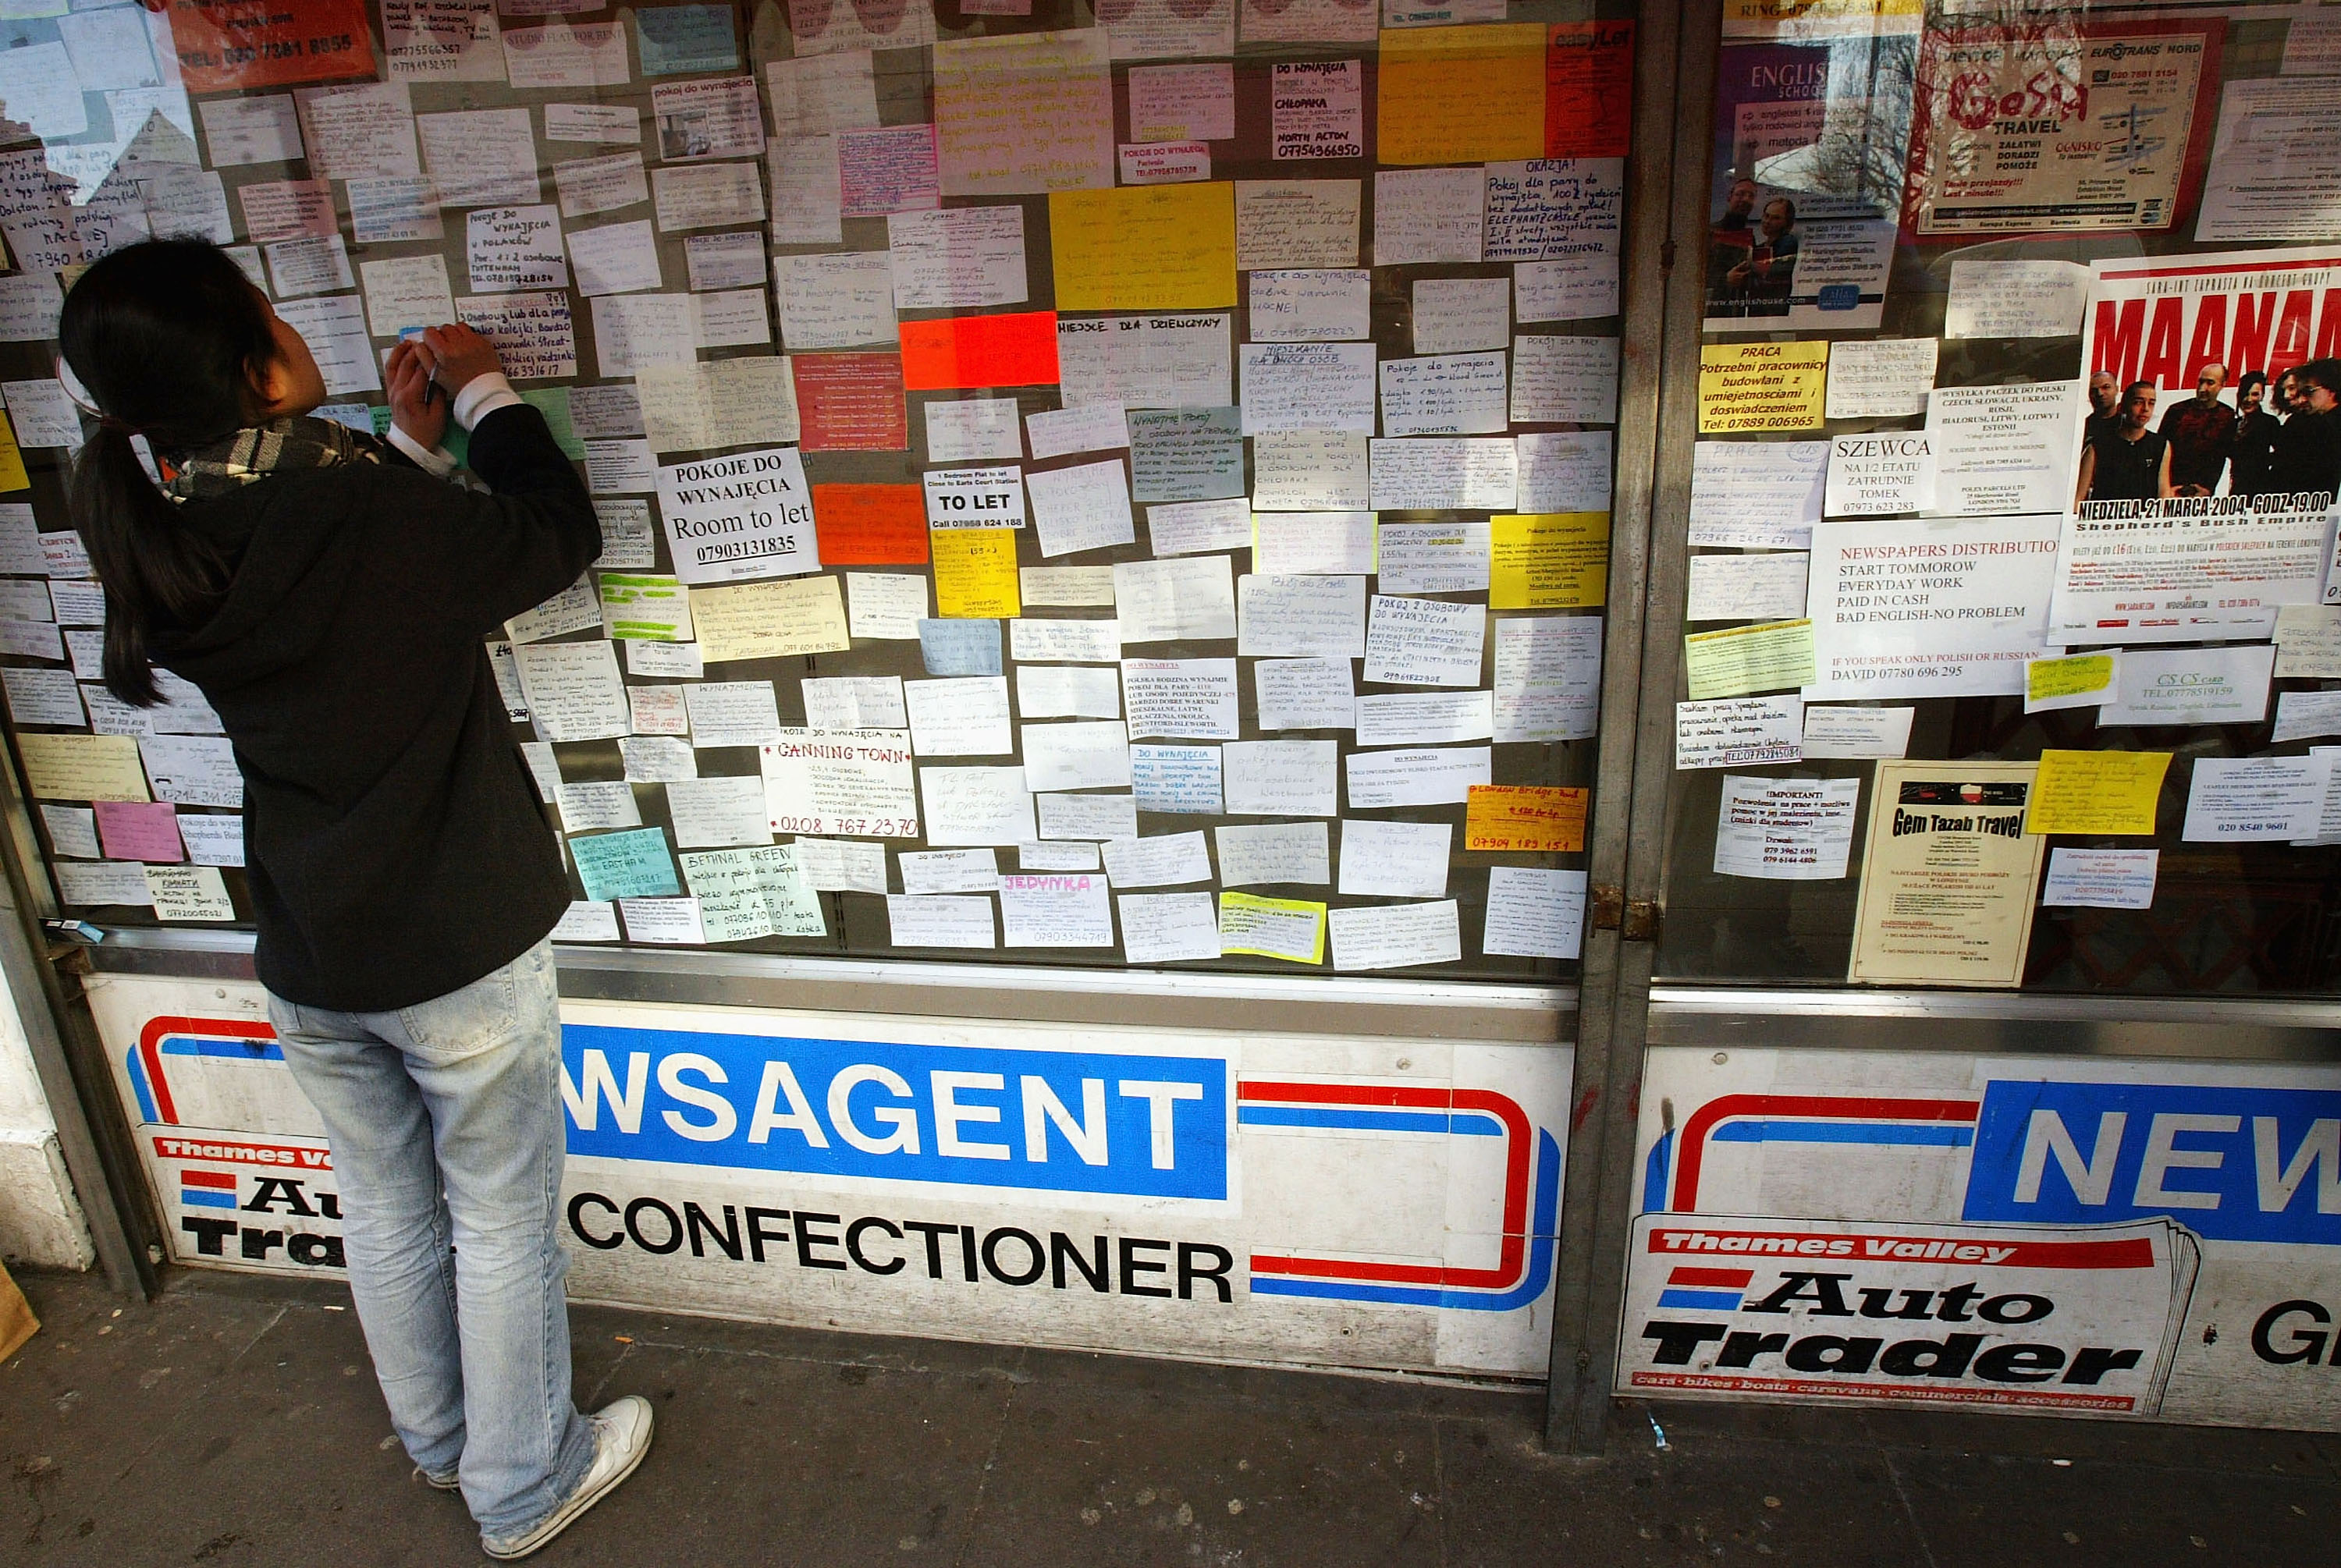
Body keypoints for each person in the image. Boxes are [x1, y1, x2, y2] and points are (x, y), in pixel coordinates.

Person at [55, 240, 648, 1562]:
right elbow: (552, 535)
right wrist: (493, 403)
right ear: (253, 361)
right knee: (493, 1210)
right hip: (454, 947)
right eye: (267, 312)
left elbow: (345, 594)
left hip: (313, 950)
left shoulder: (170, 526)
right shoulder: (357, 505)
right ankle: (523, 1485)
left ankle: (444, 1448)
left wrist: (408, 446)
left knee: (385, 1201)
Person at [2073, 380, 2167, 506]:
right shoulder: (2099, 444)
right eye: (2138, 402)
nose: (2145, 409)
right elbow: (2079, 496)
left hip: (2143, 520)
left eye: (2151, 403)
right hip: (2104, 520)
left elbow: (2164, 492)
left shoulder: (2160, 444)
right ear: (2123, 407)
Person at [2155, 361, 2236, 497]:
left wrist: (2208, 489)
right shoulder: (2176, 411)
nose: (2202, 388)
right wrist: (2166, 489)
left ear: (2222, 385)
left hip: (2203, 494)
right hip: (2171, 491)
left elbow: (2221, 456)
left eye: (2210, 383)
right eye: (2200, 382)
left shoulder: (2227, 416)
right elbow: (2159, 451)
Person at [2268, 357, 2341, 497]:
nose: (2302, 399)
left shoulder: (2326, 426)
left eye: (2308, 391)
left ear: (2331, 389)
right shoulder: (2316, 421)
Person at [1724, 196, 1799, 318]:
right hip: (1756, 310)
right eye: (1766, 216)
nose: (1767, 221)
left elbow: (1770, 269)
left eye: (1775, 218)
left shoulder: (1788, 242)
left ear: (1787, 222)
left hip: (1775, 312)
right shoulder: (1760, 247)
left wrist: (1747, 265)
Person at [2229, 370, 2282, 498]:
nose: (2249, 399)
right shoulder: (2233, 424)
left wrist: (2261, 462)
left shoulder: (2269, 422)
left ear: (2262, 396)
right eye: (2245, 394)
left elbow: (2283, 454)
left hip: (2261, 490)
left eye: (2255, 394)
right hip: (2236, 490)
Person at [2083, 371, 2121, 445]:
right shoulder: (2083, 426)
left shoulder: (2128, 424)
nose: (2100, 393)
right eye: (2094, 390)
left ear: (2116, 389)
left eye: (2106, 387)